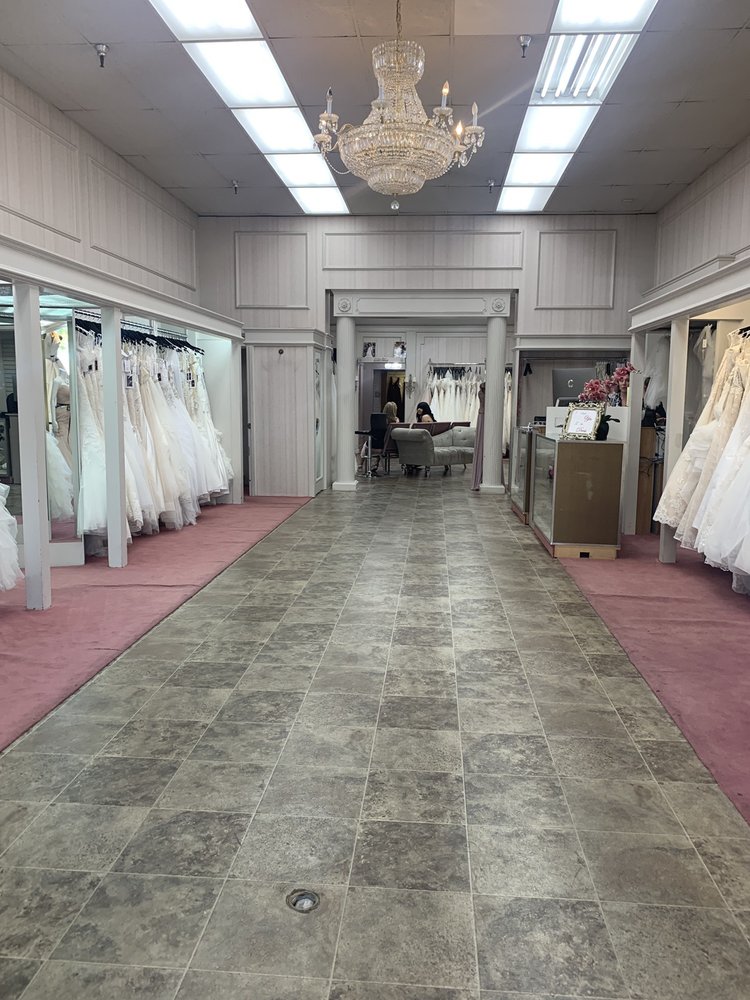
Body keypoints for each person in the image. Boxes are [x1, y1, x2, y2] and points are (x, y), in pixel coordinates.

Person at [370, 400, 398, 475]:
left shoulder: (381, 421)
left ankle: (360, 465)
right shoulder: (396, 421)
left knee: (366, 445)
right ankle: (375, 463)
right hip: (393, 445)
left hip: (382, 445)